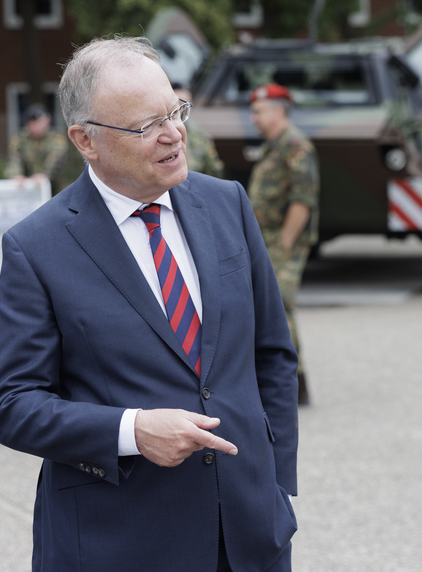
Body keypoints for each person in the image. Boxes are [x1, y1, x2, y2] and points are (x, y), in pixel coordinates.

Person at [0, 37, 298, 572]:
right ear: (84, 141)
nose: (173, 134)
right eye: (144, 126)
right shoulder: (34, 248)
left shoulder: (227, 202)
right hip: (118, 543)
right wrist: (130, 431)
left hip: (251, 537)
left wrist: (274, 484)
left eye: (175, 112)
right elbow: (13, 402)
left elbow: (272, 354)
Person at [247, 83, 319, 406]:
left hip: (281, 242)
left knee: (279, 309)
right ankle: (288, 383)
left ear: (278, 111)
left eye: (258, 112)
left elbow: (302, 201)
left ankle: (293, 385)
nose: (253, 119)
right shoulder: (274, 146)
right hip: (268, 241)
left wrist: (285, 245)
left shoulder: (296, 146)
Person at [5, 103, 72, 194]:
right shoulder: (20, 140)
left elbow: (55, 161)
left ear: (48, 121)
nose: (36, 126)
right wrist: (16, 175)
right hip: (27, 188)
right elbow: (14, 160)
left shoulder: (56, 140)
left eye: (39, 122)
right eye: (33, 123)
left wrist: (45, 175)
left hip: (55, 188)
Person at [172, 84, 225, 177]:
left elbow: (213, 168)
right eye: (179, 104)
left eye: (186, 104)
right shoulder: (162, 132)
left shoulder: (200, 134)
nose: (182, 109)